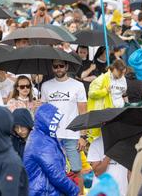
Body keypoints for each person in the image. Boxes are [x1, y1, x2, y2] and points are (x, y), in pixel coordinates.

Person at [41, 60, 87, 194]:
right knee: (53, 171)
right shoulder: (45, 86)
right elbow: (44, 113)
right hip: (52, 137)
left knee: (77, 170)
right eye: (55, 66)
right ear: (52, 68)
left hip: (72, 135)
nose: (58, 69)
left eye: (61, 66)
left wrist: (83, 136)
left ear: (66, 67)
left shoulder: (78, 85)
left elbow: (83, 113)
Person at [23, 103, 79, 196]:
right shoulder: (42, 143)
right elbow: (56, 175)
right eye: (55, 123)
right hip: (44, 192)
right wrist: (75, 191)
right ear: (48, 122)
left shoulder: (42, 136)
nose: (58, 126)